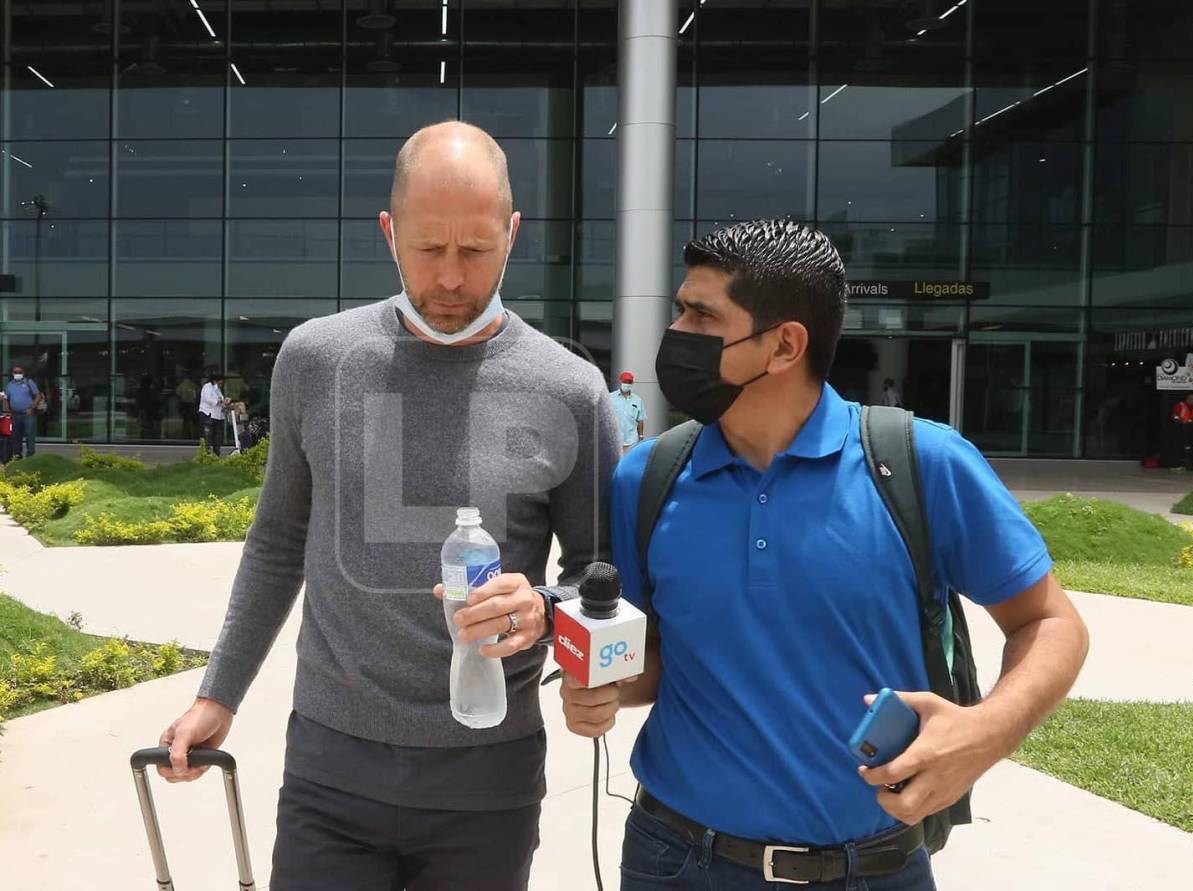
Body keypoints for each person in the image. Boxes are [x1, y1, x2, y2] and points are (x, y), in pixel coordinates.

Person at [158, 121, 621, 891]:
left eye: (475, 250)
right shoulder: (315, 359)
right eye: (426, 247)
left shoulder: (570, 389)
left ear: (513, 233)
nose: (449, 278)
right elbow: (278, 541)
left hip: (489, 779)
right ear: (387, 232)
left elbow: (599, 572)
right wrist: (219, 693)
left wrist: (545, 606)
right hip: (331, 768)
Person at [560, 220, 1089, 891]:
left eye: (702, 314)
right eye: (680, 309)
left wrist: (984, 732)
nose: (678, 334)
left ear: (785, 344)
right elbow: (654, 656)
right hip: (675, 859)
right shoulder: (648, 477)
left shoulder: (921, 464)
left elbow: (1051, 621)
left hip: (872, 868)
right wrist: (603, 687)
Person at [2, 365, 43, 460]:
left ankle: (30, 457)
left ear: (23, 373)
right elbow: (6, 399)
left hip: (28, 414)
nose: (17, 374)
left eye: (19, 372)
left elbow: (38, 395)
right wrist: (8, 411)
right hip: (15, 415)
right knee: (16, 436)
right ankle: (17, 456)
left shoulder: (29, 382)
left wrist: (32, 407)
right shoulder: (9, 385)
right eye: (15, 372)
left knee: (30, 435)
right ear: (12, 374)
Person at [610, 370, 647, 454]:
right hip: (615, 438)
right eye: (625, 381)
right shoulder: (610, 397)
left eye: (629, 382)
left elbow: (640, 419)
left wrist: (641, 436)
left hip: (632, 439)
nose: (627, 384)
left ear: (632, 383)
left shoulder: (638, 400)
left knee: (629, 462)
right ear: (621, 381)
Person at [198, 372, 228, 456]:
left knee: (217, 436)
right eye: (220, 383)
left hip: (217, 416)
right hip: (208, 414)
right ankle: (206, 454)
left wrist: (224, 403)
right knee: (208, 436)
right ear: (215, 381)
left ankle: (216, 453)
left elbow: (220, 401)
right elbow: (208, 399)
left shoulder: (218, 390)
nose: (221, 385)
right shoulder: (207, 387)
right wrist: (219, 402)